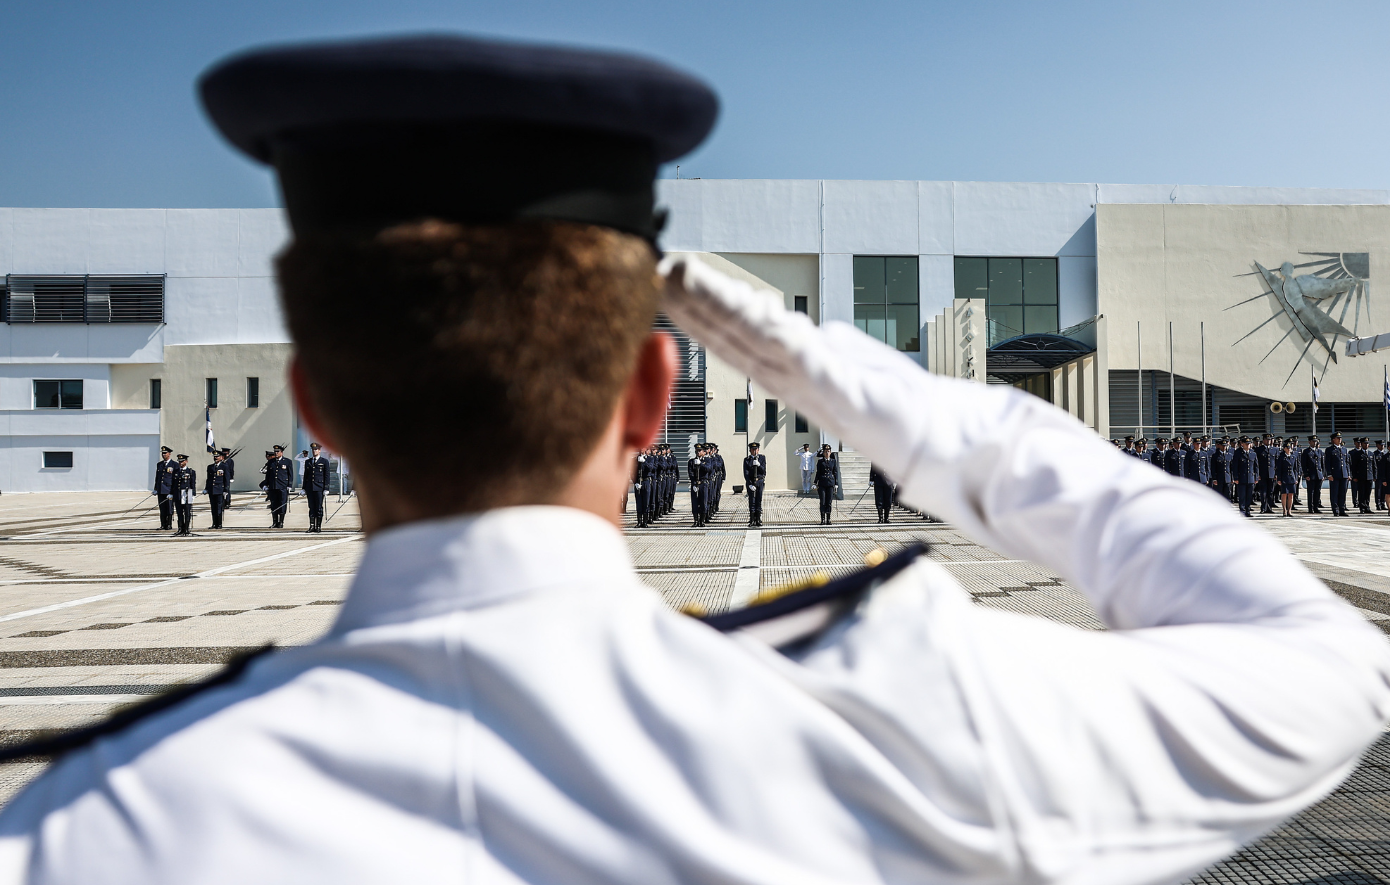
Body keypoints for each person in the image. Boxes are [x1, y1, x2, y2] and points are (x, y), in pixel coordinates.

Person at [3, 33, 1388, 885]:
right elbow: (1327, 660)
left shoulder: (86, 828)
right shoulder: (921, 714)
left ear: (312, 404)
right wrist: (871, 390)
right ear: (655, 390)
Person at [262, 444, 294, 528]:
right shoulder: (271, 462)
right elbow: (268, 475)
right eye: (275, 452)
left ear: (281, 453)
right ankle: (274, 522)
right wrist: (266, 484)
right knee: (273, 504)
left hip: (283, 487)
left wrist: (289, 485)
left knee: (282, 504)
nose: (276, 453)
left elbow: (290, 474)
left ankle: (281, 522)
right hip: (273, 486)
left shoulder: (287, 461)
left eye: (278, 452)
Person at [302, 442, 331, 533]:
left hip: (319, 487)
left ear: (319, 450)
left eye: (316, 449)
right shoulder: (308, 461)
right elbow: (306, 476)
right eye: (313, 450)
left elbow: (326, 475)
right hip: (310, 487)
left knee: (318, 507)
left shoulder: (324, 461)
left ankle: (318, 526)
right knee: (311, 507)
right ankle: (312, 526)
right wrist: (303, 488)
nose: (314, 451)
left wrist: (326, 488)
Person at [1231, 435, 1258, 517]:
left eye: (1249, 443)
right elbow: (1235, 466)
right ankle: (1242, 511)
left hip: (1250, 478)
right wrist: (1235, 477)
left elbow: (1256, 466)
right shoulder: (1238, 453)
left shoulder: (1253, 453)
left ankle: (1248, 510)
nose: (1248, 445)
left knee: (1249, 495)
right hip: (1241, 478)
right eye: (1246, 443)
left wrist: (1256, 477)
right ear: (1242, 444)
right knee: (1242, 496)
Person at [172, 454, 198, 536]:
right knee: (179, 512)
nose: (180, 463)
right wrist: (171, 493)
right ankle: (180, 528)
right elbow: (173, 484)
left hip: (187, 494)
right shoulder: (175, 471)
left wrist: (193, 494)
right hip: (178, 494)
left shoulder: (190, 472)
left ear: (186, 461)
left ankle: (186, 528)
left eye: (182, 461)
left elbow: (193, 483)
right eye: (179, 461)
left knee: (187, 512)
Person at [1325, 432, 1350, 517]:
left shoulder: (1344, 449)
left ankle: (1342, 509)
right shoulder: (1329, 450)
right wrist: (1329, 474)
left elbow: (1347, 463)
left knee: (1342, 493)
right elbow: (1327, 463)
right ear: (1333, 440)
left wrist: (1348, 473)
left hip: (1344, 474)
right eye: (1337, 438)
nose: (1340, 439)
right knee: (1334, 493)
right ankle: (1335, 510)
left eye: (1340, 438)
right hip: (1335, 475)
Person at [204, 450, 230, 529]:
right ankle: (214, 523)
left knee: (219, 507)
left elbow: (226, 479)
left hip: (219, 490)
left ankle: (219, 524)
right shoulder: (210, 467)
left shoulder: (224, 466)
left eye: (217, 456)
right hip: (212, 490)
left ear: (221, 457)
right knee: (213, 507)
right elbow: (208, 479)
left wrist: (226, 490)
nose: (215, 458)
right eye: (214, 456)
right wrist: (206, 489)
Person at [153, 446, 177, 530]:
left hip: (169, 490)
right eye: (162, 453)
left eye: (165, 453)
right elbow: (158, 477)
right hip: (161, 490)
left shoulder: (174, 464)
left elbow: (175, 479)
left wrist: (173, 491)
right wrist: (156, 489)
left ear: (169, 454)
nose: (163, 455)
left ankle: (169, 524)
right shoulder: (159, 464)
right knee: (162, 508)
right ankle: (163, 524)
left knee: (169, 508)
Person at [743, 441, 766, 527]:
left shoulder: (762, 458)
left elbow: (764, 471)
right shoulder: (747, 460)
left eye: (756, 449)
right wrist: (749, 484)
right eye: (753, 449)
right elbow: (746, 473)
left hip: (759, 481)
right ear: (750, 450)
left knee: (758, 500)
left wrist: (759, 465)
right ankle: (752, 519)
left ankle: (758, 519)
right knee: (752, 501)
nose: (754, 451)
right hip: (751, 482)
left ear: (758, 450)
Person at [814, 442, 837, 525]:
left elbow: (835, 472)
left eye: (828, 451)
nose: (827, 453)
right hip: (822, 483)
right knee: (822, 501)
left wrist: (836, 483)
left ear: (830, 452)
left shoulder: (833, 461)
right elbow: (818, 473)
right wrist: (815, 482)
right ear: (823, 453)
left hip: (830, 483)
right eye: (825, 451)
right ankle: (822, 519)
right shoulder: (820, 462)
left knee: (829, 502)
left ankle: (829, 519)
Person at [1302, 436, 1325, 514]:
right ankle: (1310, 508)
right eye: (1313, 441)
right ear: (1309, 442)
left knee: (1317, 492)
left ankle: (1316, 507)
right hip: (1310, 475)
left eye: (1316, 441)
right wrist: (1306, 474)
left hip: (1318, 475)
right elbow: (1304, 465)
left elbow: (1322, 464)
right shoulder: (1306, 452)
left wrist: (1323, 474)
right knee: (1310, 492)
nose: (1315, 443)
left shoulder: (1320, 451)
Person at [687, 444, 707, 528]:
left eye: (700, 451)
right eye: (697, 451)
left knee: (703, 502)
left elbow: (708, 469)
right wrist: (694, 483)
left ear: (703, 452)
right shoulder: (691, 461)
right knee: (695, 503)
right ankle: (695, 520)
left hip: (703, 484)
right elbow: (690, 473)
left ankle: (702, 521)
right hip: (695, 484)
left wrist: (701, 464)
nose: (698, 452)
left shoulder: (707, 461)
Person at [1276, 440, 1296, 517]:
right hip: (1284, 477)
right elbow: (1279, 469)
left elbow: (1295, 468)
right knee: (1284, 494)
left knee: (1291, 494)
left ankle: (1289, 510)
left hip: (1291, 477)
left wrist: (1296, 478)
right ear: (1284, 448)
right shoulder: (1281, 457)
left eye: (1290, 448)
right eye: (1287, 448)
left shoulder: (1293, 456)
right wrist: (1279, 479)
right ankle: (1284, 510)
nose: (1289, 449)